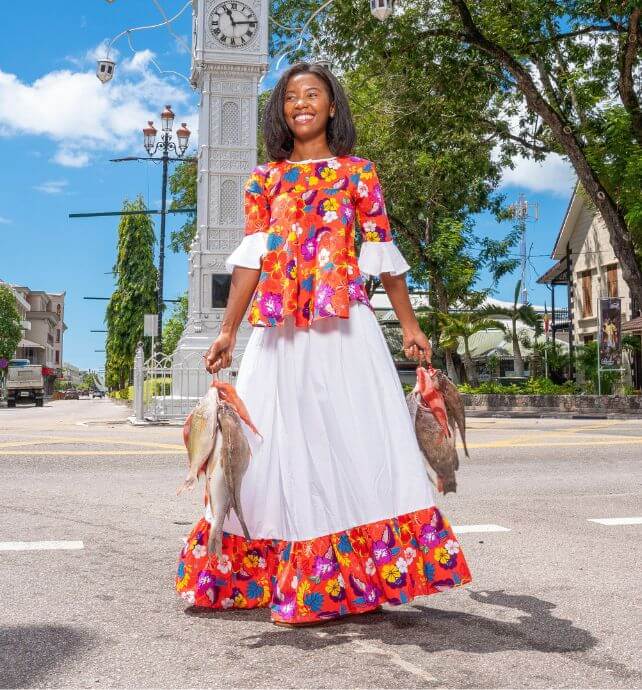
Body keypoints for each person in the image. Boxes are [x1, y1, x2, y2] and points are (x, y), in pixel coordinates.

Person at [175, 61, 473, 626]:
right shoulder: (265, 180)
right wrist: (228, 329)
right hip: (279, 329)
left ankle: (358, 575)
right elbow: (250, 263)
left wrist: (410, 327)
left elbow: (383, 258)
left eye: (313, 94)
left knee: (353, 438)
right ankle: (271, 572)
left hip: (344, 326)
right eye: (291, 97)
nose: (302, 104)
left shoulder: (359, 174)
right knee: (275, 447)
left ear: (332, 106)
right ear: (281, 111)